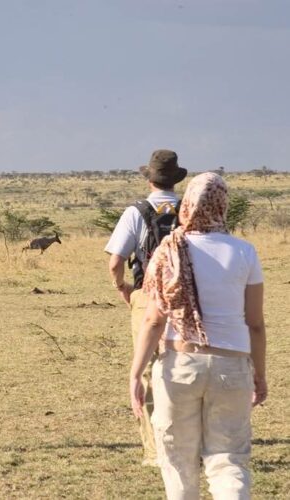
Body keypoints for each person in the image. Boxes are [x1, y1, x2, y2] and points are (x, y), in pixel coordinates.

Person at [130, 173, 267, 499]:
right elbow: (256, 324)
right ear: (223, 206)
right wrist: (259, 374)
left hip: (179, 365)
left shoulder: (168, 251)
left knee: (178, 463)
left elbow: (152, 320)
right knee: (229, 461)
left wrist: (136, 373)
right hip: (232, 367)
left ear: (186, 205)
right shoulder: (245, 252)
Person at [105, 149, 187, 466]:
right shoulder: (189, 210)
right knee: (185, 365)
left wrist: (123, 288)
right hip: (186, 297)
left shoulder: (135, 212)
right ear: (175, 179)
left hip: (146, 295)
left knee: (150, 368)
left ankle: (155, 451)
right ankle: (189, 443)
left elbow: (115, 262)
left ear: (150, 179)